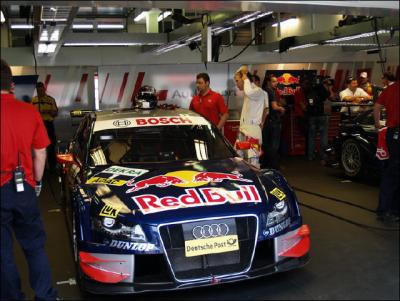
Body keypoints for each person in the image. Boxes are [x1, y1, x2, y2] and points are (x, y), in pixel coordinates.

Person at [1, 59, 59, 300]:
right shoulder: (29, 111)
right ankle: (46, 296)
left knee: (2, 253)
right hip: (23, 187)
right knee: (34, 247)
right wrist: (36, 183)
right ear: (11, 85)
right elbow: (41, 152)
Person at [373, 80, 399, 222]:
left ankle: (391, 209)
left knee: (393, 170)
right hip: (396, 133)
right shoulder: (392, 89)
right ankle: (386, 210)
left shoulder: (390, 89)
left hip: (392, 133)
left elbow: (376, 106)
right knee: (394, 171)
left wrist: (377, 125)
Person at [233, 66, 268, 168]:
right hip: (244, 131)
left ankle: (255, 182)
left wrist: (245, 77)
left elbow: (249, 92)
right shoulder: (249, 93)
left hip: (252, 132)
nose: (236, 83)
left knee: (253, 163)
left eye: (237, 80)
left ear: (244, 79)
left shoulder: (258, 91)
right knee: (239, 161)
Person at [306, 77, 335, 164]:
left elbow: (310, 101)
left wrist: (312, 105)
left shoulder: (312, 89)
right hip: (322, 115)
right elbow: (332, 97)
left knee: (311, 136)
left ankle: (310, 156)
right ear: (326, 84)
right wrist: (330, 90)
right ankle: (323, 156)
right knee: (323, 136)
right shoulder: (325, 90)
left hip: (312, 115)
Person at [32, 82, 58, 170]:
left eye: (42, 90)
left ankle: (52, 166)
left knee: (51, 146)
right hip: (38, 126)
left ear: (44, 89)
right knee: (39, 147)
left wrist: (48, 111)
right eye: (38, 90)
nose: (40, 92)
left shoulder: (50, 100)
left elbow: (55, 113)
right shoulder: (33, 100)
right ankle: (40, 167)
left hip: (48, 125)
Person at [261, 74, 285, 169]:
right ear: (268, 82)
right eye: (273, 81)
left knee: (266, 144)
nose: (276, 83)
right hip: (273, 121)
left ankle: (266, 164)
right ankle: (274, 166)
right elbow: (274, 107)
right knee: (274, 145)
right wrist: (281, 108)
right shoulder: (271, 92)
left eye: (276, 81)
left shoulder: (263, 91)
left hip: (266, 121)